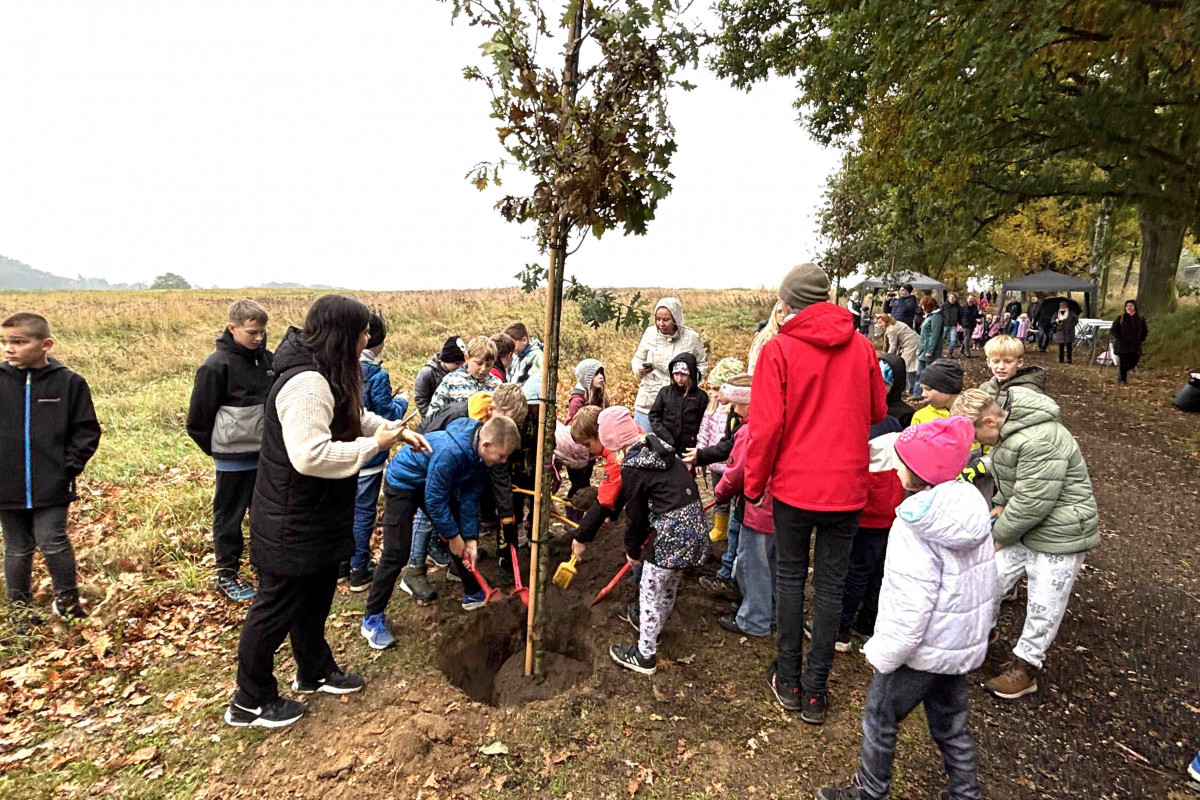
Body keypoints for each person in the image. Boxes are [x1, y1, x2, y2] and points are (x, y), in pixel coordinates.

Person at [227, 295, 429, 730]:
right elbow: (310, 455)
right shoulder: (306, 384)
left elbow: (350, 415)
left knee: (316, 596)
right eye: (363, 333)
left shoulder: (328, 371)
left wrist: (393, 431)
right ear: (344, 334)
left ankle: (314, 671)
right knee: (275, 606)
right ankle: (250, 699)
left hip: (317, 513)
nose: (366, 341)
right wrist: (373, 446)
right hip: (290, 517)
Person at [817, 416, 992, 800]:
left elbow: (909, 605)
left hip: (919, 652)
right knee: (951, 724)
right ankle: (966, 792)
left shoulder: (915, 526)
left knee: (880, 717)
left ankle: (869, 790)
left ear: (919, 472)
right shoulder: (971, 509)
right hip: (955, 647)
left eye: (902, 462)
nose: (896, 469)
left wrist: (885, 653)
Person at [745, 263, 887, 723]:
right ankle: (815, 692)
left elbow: (765, 429)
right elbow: (877, 409)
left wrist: (754, 484)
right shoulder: (862, 346)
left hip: (795, 486)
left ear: (787, 303)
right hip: (847, 487)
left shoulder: (778, 349)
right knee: (830, 585)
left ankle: (788, 679)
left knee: (790, 579)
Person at [952, 388, 1099, 700]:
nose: (975, 444)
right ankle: (981, 636)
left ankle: (1027, 665)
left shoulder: (1039, 440)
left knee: (1044, 603)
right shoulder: (1007, 434)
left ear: (989, 422)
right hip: (1025, 526)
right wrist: (1001, 502)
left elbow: (1033, 501)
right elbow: (1013, 477)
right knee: (988, 579)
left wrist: (999, 535)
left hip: (1061, 533)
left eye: (975, 437)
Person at [360, 415, 520, 647]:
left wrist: (470, 539)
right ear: (486, 445)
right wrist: (453, 537)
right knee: (397, 552)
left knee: (459, 532)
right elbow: (434, 501)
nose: (502, 461)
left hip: (434, 484)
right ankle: (372, 619)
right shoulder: (450, 453)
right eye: (502, 456)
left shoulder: (480, 458)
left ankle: (473, 592)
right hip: (404, 482)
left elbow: (470, 498)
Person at [0, 312, 101, 627]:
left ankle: (68, 603)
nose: (9, 349)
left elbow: (87, 430)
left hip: (52, 484)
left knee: (53, 540)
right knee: (17, 548)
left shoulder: (69, 382)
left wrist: (67, 467)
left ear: (45, 344)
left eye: (18, 342)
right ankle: (20, 613)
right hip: (5, 485)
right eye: (4, 342)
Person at [603, 407, 709, 676]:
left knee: (649, 592)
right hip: (695, 529)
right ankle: (655, 630)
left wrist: (632, 550)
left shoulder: (633, 467)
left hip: (671, 536)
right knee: (668, 586)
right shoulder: (661, 450)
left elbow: (636, 517)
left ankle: (645, 655)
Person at [186, 299, 274, 603]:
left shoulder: (269, 361)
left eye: (262, 332)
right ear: (232, 328)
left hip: (265, 457)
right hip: (231, 460)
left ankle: (266, 568)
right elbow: (197, 420)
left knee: (263, 515)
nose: (258, 338)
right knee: (229, 517)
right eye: (252, 332)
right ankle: (226, 573)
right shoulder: (215, 366)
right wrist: (220, 450)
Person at [408, 384, 528, 597]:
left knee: (455, 513)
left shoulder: (496, 436)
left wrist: (507, 516)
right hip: (425, 463)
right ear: (491, 410)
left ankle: (458, 566)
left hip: (456, 472)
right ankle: (415, 567)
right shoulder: (459, 416)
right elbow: (428, 439)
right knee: (429, 514)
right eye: (506, 420)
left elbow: (499, 475)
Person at [828, 365, 906, 653]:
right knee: (878, 570)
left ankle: (840, 629)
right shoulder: (894, 423)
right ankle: (868, 622)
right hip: (891, 509)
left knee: (855, 570)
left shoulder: (858, 426)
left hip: (866, 512)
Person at [347, 312, 410, 592]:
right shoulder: (376, 375)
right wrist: (402, 402)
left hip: (345, 452)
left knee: (347, 509)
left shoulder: (343, 368)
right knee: (363, 511)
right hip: (370, 455)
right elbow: (386, 414)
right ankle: (360, 568)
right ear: (378, 342)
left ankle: (344, 565)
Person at [711, 376, 774, 637]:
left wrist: (720, 493)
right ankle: (771, 611)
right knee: (773, 563)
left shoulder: (749, 432)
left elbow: (736, 473)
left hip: (758, 507)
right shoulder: (775, 421)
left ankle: (754, 620)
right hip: (778, 506)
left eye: (738, 404)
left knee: (752, 563)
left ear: (750, 403)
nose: (735, 410)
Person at [630, 298, 708, 432]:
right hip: (648, 401)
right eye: (658, 319)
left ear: (676, 318)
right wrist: (639, 369)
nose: (661, 324)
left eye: (666, 320)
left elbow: (701, 364)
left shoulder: (691, 337)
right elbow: (637, 358)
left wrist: (690, 381)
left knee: (670, 443)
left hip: (678, 404)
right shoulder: (650, 333)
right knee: (645, 441)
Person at [696, 357, 745, 543]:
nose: (713, 394)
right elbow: (704, 432)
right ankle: (720, 528)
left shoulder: (736, 413)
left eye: (717, 389)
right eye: (712, 389)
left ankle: (735, 535)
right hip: (715, 463)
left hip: (732, 466)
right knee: (719, 498)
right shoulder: (712, 408)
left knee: (736, 501)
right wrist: (700, 453)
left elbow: (733, 442)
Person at [648, 353, 708, 453]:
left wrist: (698, 444)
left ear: (691, 374)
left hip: (690, 447)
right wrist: (666, 437)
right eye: (676, 374)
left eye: (683, 374)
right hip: (666, 443)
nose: (679, 379)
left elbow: (704, 423)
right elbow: (654, 416)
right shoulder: (665, 392)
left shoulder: (701, 396)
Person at [428, 336, 501, 413]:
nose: (483, 369)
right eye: (479, 363)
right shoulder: (451, 381)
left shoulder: (497, 385)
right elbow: (433, 412)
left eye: (488, 365)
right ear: (467, 358)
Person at [979, 334, 1046, 403]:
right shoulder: (984, 389)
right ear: (988, 362)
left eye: (1008, 361)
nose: (1001, 367)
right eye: (996, 361)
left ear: (1019, 362)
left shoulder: (1030, 393)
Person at [414, 336, 465, 417]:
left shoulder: (461, 372)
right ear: (445, 360)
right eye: (457, 363)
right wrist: (430, 419)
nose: (461, 367)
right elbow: (421, 400)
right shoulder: (427, 373)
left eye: (462, 363)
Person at [911, 358, 962, 426]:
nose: (923, 394)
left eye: (928, 389)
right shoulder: (921, 418)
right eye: (922, 389)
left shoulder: (971, 414)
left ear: (947, 388)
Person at [878, 313, 919, 396]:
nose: (879, 325)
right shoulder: (895, 323)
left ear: (886, 321)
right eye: (878, 323)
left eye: (881, 322)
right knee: (911, 366)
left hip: (910, 344)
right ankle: (912, 390)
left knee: (905, 366)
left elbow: (892, 346)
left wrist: (886, 358)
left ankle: (908, 391)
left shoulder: (891, 330)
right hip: (915, 342)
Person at [1110, 300, 1148, 384]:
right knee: (1123, 362)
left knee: (1134, 360)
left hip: (1135, 345)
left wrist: (1141, 339)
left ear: (1135, 307)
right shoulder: (1121, 318)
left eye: (1131, 306)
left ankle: (1122, 373)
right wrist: (1119, 337)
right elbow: (1113, 330)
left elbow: (1144, 330)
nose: (1129, 308)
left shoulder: (1140, 318)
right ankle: (1122, 380)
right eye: (1127, 306)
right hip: (1123, 345)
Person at [505, 322, 544, 402]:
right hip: (514, 399)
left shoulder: (537, 356)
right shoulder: (515, 357)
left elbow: (535, 383)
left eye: (513, 345)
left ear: (524, 340)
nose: (510, 348)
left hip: (530, 400)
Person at [913, 297, 943, 399]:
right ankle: (917, 394)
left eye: (923, 305)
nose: (922, 307)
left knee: (928, 374)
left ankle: (929, 394)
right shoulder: (930, 316)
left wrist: (930, 350)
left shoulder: (936, 317)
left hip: (929, 351)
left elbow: (934, 335)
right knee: (919, 373)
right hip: (922, 350)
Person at [877, 353, 914, 427]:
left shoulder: (906, 414)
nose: (879, 387)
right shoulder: (866, 406)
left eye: (885, 383)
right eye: (875, 382)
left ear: (896, 384)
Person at [748, 301, 784, 375]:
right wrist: (757, 331)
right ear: (774, 314)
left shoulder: (797, 337)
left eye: (787, 312)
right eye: (779, 311)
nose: (783, 315)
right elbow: (753, 365)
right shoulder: (764, 338)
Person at [566, 358, 607, 422]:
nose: (601, 376)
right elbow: (573, 425)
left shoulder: (601, 395)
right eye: (595, 374)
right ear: (586, 378)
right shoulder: (577, 401)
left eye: (601, 373)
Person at [940, 292, 961, 357]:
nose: (952, 298)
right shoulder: (944, 305)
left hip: (953, 325)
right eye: (950, 297)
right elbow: (940, 315)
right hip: (945, 325)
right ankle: (938, 352)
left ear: (955, 298)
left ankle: (950, 352)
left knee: (953, 340)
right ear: (948, 298)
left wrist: (960, 324)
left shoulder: (957, 306)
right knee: (941, 339)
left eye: (953, 297)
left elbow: (960, 316)